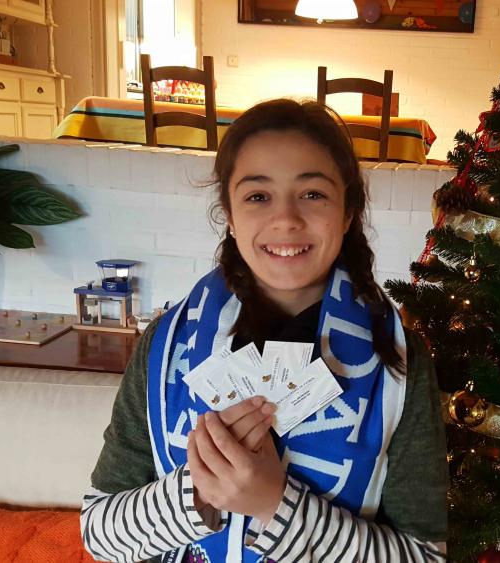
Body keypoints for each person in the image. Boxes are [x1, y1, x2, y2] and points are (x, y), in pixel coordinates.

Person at [81, 98, 449, 563]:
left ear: (348, 212)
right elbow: (99, 533)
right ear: (230, 216)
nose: (286, 219)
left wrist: (274, 505)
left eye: (312, 194)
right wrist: (200, 492)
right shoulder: (169, 344)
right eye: (258, 196)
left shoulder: (397, 360)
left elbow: (425, 556)